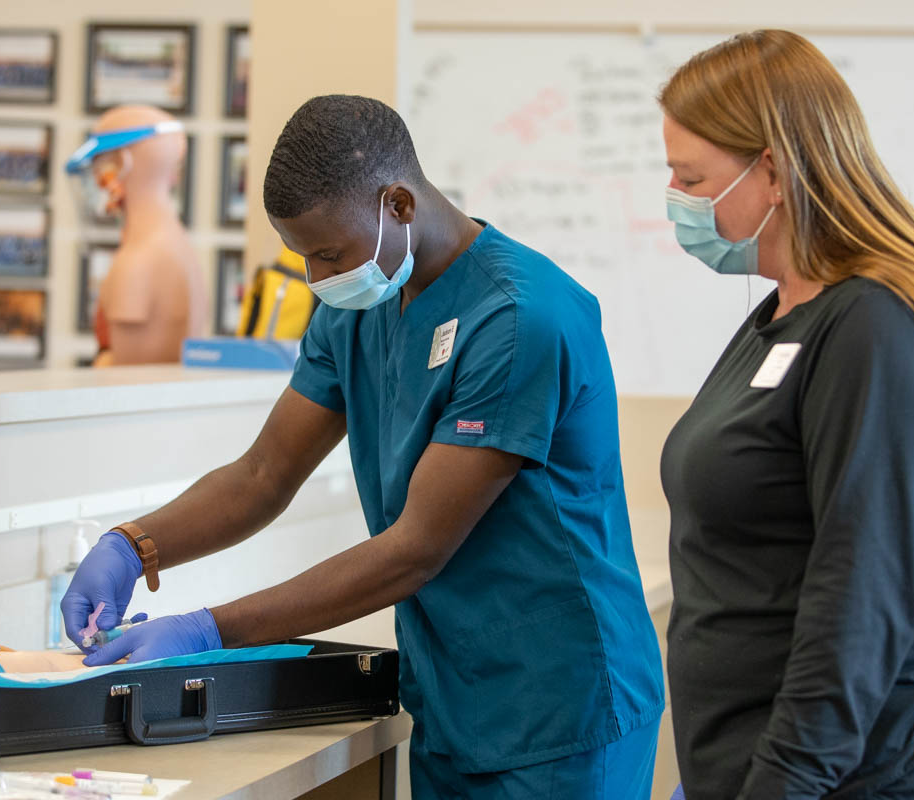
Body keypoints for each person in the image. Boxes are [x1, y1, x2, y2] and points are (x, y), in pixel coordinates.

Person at [60, 95, 665, 798]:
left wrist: (206, 631)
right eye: (301, 256)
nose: (317, 278)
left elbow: (415, 549)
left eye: (327, 253)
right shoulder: (359, 308)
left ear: (399, 205)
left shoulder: (519, 317)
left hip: (559, 706)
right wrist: (134, 545)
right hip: (456, 696)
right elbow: (262, 474)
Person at [657, 30, 914, 799]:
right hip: (748, 760)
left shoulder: (878, 326)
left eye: (690, 176)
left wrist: (782, 782)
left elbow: (860, 592)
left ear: (775, 171)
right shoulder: (786, 313)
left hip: (858, 776)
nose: (675, 198)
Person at [64, 106, 208, 366]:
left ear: (123, 162)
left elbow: (124, 380)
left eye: (98, 163)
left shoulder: (137, 263)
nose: (94, 177)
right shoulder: (179, 247)